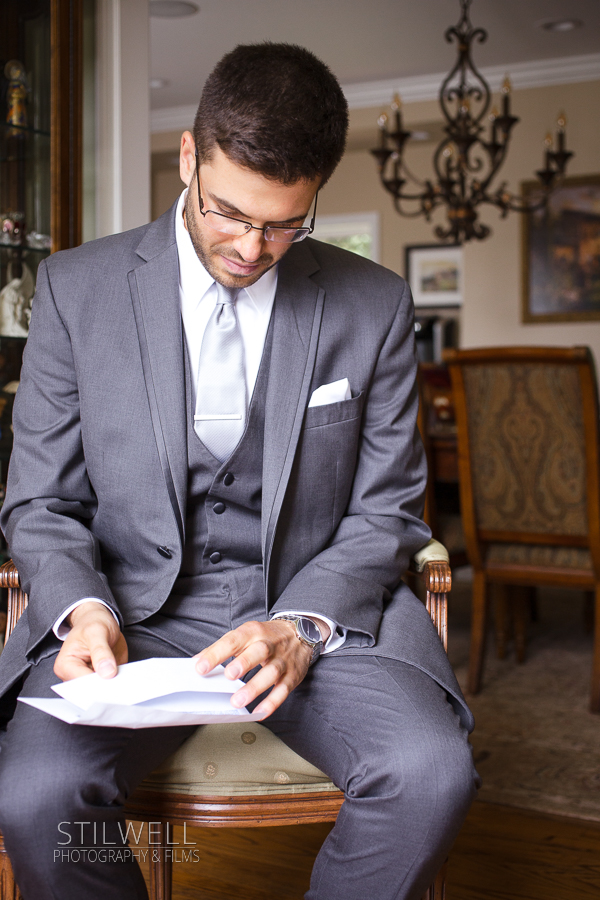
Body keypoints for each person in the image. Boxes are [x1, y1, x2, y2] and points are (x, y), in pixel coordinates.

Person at [0, 42, 477, 900]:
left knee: (428, 774)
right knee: (37, 796)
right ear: (189, 157)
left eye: (285, 223)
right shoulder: (77, 289)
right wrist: (82, 610)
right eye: (228, 212)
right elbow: (41, 500)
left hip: (319, 619)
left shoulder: (372, 304)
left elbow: (390, 511)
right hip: (134, 613)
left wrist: (300, 624)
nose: (254, 248)